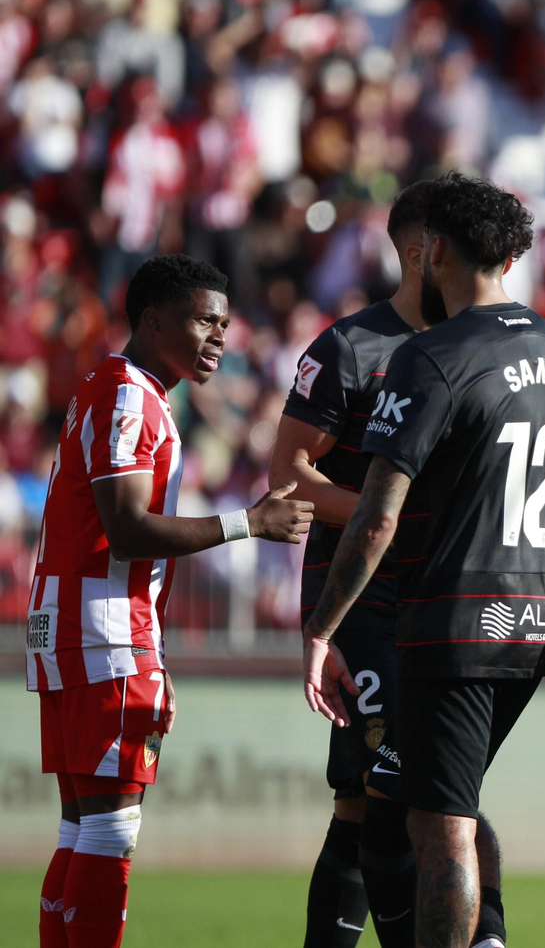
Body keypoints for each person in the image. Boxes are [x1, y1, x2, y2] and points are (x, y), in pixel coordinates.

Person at [301, 173, 545, 948]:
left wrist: (322, 628)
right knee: (415, 798)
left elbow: (375, 517)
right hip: (535, 615)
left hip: (454, 621)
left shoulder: (431, 355)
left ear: (436, 257)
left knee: (440, 823)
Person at [29, 255, 311, 948]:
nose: (219, 337)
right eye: (203, 321)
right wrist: (250, 522)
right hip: (102, 631)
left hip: (71, 626)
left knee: (80, 825)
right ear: (154, 319)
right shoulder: (129, 395)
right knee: (108, 829)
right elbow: (127, 529)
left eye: (224, 324)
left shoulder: (108, 384)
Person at [271, 180, 510, 948]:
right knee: (375, 797)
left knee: (438, 794)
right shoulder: (349, 347)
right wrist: (391, 513)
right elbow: (289, 477)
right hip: (366, 609)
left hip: (452, 606)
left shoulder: (481, 349)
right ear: (421, 254)